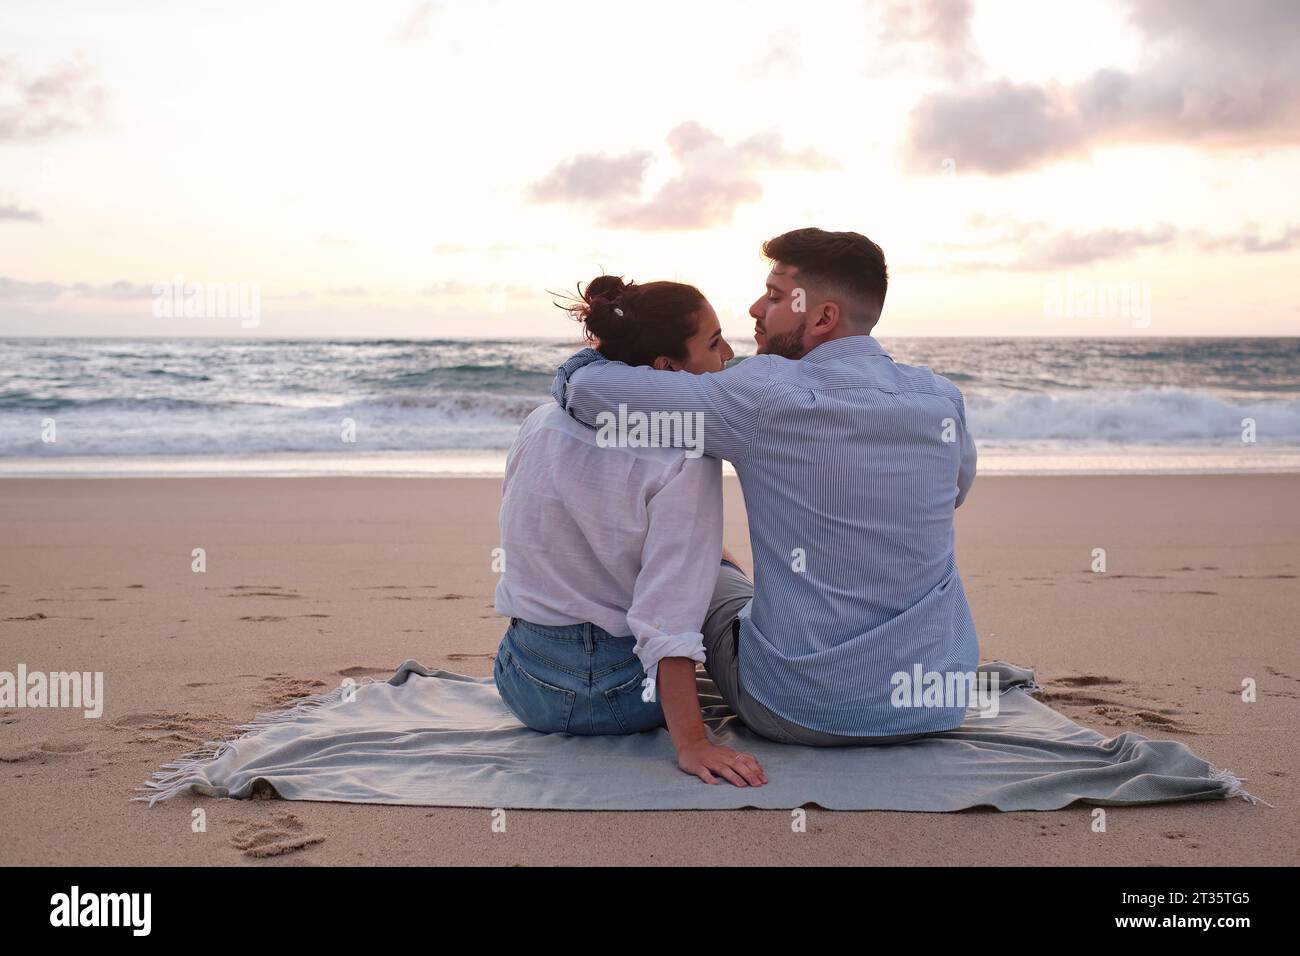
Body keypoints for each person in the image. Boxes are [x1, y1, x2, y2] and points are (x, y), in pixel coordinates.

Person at [552, 228, 980, 746]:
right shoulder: (939, 395)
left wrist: (594, 353)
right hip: (935, 702)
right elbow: (954, 491)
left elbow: (590, 393)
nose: (756, 308)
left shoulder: (760, 394)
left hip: (799, 708)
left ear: (822, 317)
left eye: (775, 297)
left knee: (706, 571)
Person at [494, 274, 767, 787]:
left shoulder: (540, 421)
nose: (729, 352)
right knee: (710, 570)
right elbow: (667, 618)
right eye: (713, 342)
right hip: (628, 701)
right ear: (667, 369)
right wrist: (693, 743)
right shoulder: (688, 451)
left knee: (679, 560)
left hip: (527, 688)